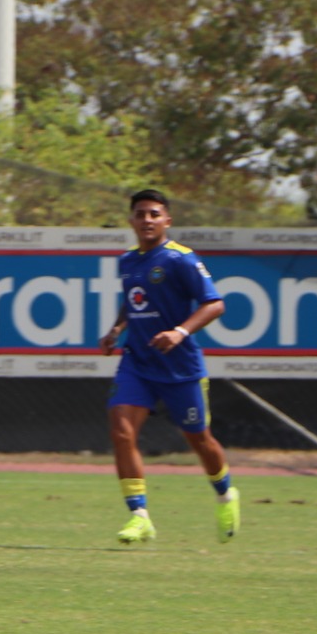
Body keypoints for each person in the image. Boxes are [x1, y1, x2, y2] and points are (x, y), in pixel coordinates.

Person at [98, 188, 236, 544]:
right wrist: (117, 328)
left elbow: (215, 304)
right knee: (121, 430)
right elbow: (134, 300)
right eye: (141, 214)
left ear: (167, 220)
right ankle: (139, 516)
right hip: (138, 361)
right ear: (131, 220)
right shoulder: (128, 261)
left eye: (154, 214)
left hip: (179, 367)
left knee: (199, 440)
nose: (147, 220)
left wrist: (179, 331)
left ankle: (225, 495)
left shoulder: (181, 259)